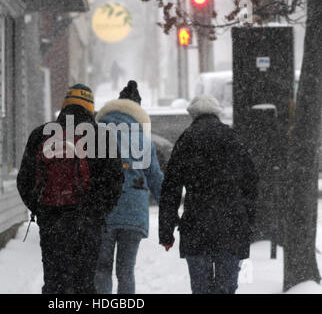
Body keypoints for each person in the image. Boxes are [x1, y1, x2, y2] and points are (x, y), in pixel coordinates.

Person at [17, 84, 124, 294]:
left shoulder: (41, 134)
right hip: (87, 224)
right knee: (84, 283)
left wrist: (42, 209)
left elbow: (24, 181)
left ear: (65, 105)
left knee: (54, 282)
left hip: (52, 223)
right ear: (90, 107)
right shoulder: (100, 136)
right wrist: (96, 211)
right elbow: (115, 182)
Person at [159, 94, 259, 294]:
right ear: (217, 114)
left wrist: (166, 231)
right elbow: (251, 182)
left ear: (193, 115)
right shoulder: (233, 138)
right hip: (231, 227)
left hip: (196, 226)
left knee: (201, 289)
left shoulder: (186, 140)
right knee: (225, 288)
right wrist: (248, 220)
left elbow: (171, 188)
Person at [94, 80, 164, 294]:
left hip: (104, 212)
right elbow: (155, 178)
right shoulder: (144, 141)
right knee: (126, 271)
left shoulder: (97, 137)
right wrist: (168, 208)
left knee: (102, 268)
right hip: (134, 214)